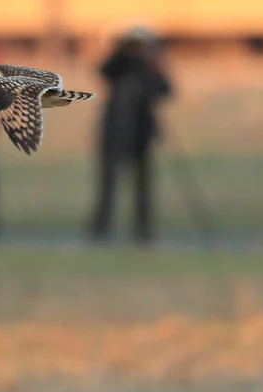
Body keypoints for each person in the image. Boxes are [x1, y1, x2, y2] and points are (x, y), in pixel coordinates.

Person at [90, 27, 172, 245]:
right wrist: (122, 52)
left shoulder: (149, 65)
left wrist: (152, 65)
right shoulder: (119, 63)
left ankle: (142, 231)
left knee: (142, 185)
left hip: (140, 131)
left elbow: (166, 90)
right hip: (115, 128)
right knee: (108, 183)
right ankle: (101, 229)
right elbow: (103, 71)